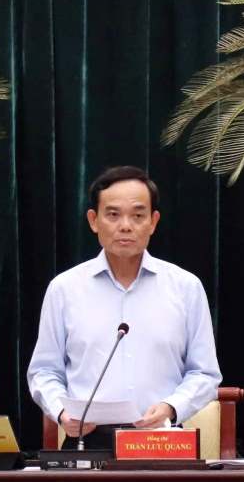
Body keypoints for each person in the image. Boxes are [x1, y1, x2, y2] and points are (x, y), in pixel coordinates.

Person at [27, 166, 221, 449]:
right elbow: (44, 371)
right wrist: (61, 411)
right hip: (88, 441)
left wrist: (171, 406)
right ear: (93, 220)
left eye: (138, 215)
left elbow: (205, 373)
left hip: (161, 441)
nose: (126, 226)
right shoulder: (64, 289)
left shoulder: (185, 287)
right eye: (113, 215)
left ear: (153, 222)